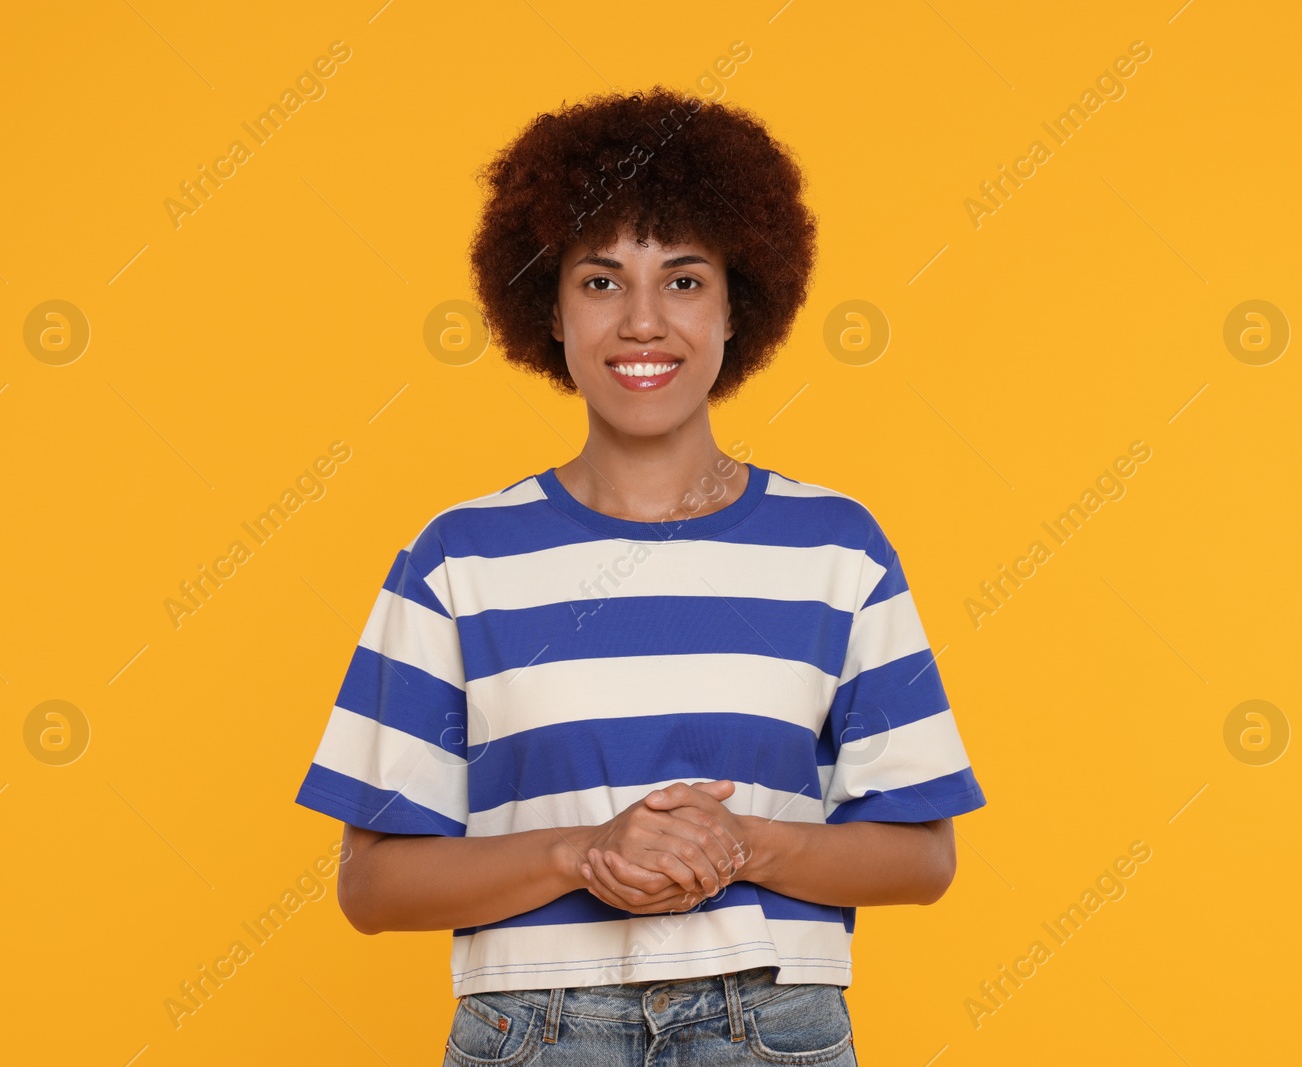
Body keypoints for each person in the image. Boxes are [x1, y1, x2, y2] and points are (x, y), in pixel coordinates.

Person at [293, 84, 987, 1065]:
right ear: (550, 304)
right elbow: (369, 887)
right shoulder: (456, 559)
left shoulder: (838, 547)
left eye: (686, 279)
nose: (644, 322)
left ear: (739, 303)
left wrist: (739, 840)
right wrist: (581, 851)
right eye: (603, 280)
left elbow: (923, 855)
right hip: (531, 1032)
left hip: (772, 1029)